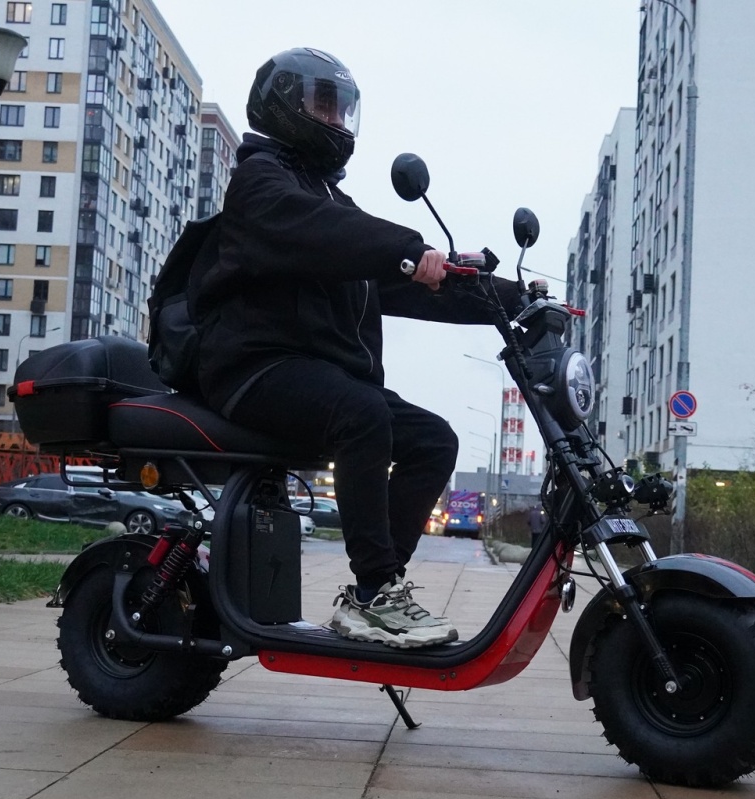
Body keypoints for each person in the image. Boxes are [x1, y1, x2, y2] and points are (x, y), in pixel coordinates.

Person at [188, 48, 517, 648]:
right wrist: (408, 249)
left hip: (319, 380)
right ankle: (374, 593)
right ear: (283, 105)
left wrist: (514, 303)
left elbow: (398, 277)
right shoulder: (262, 184)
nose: (337, 121)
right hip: (253, 369)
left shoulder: (331, 203)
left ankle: (378, 591)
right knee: (363, 413)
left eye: (342, 110)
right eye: (324, 106)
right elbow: (329, 234)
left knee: (434, 440)